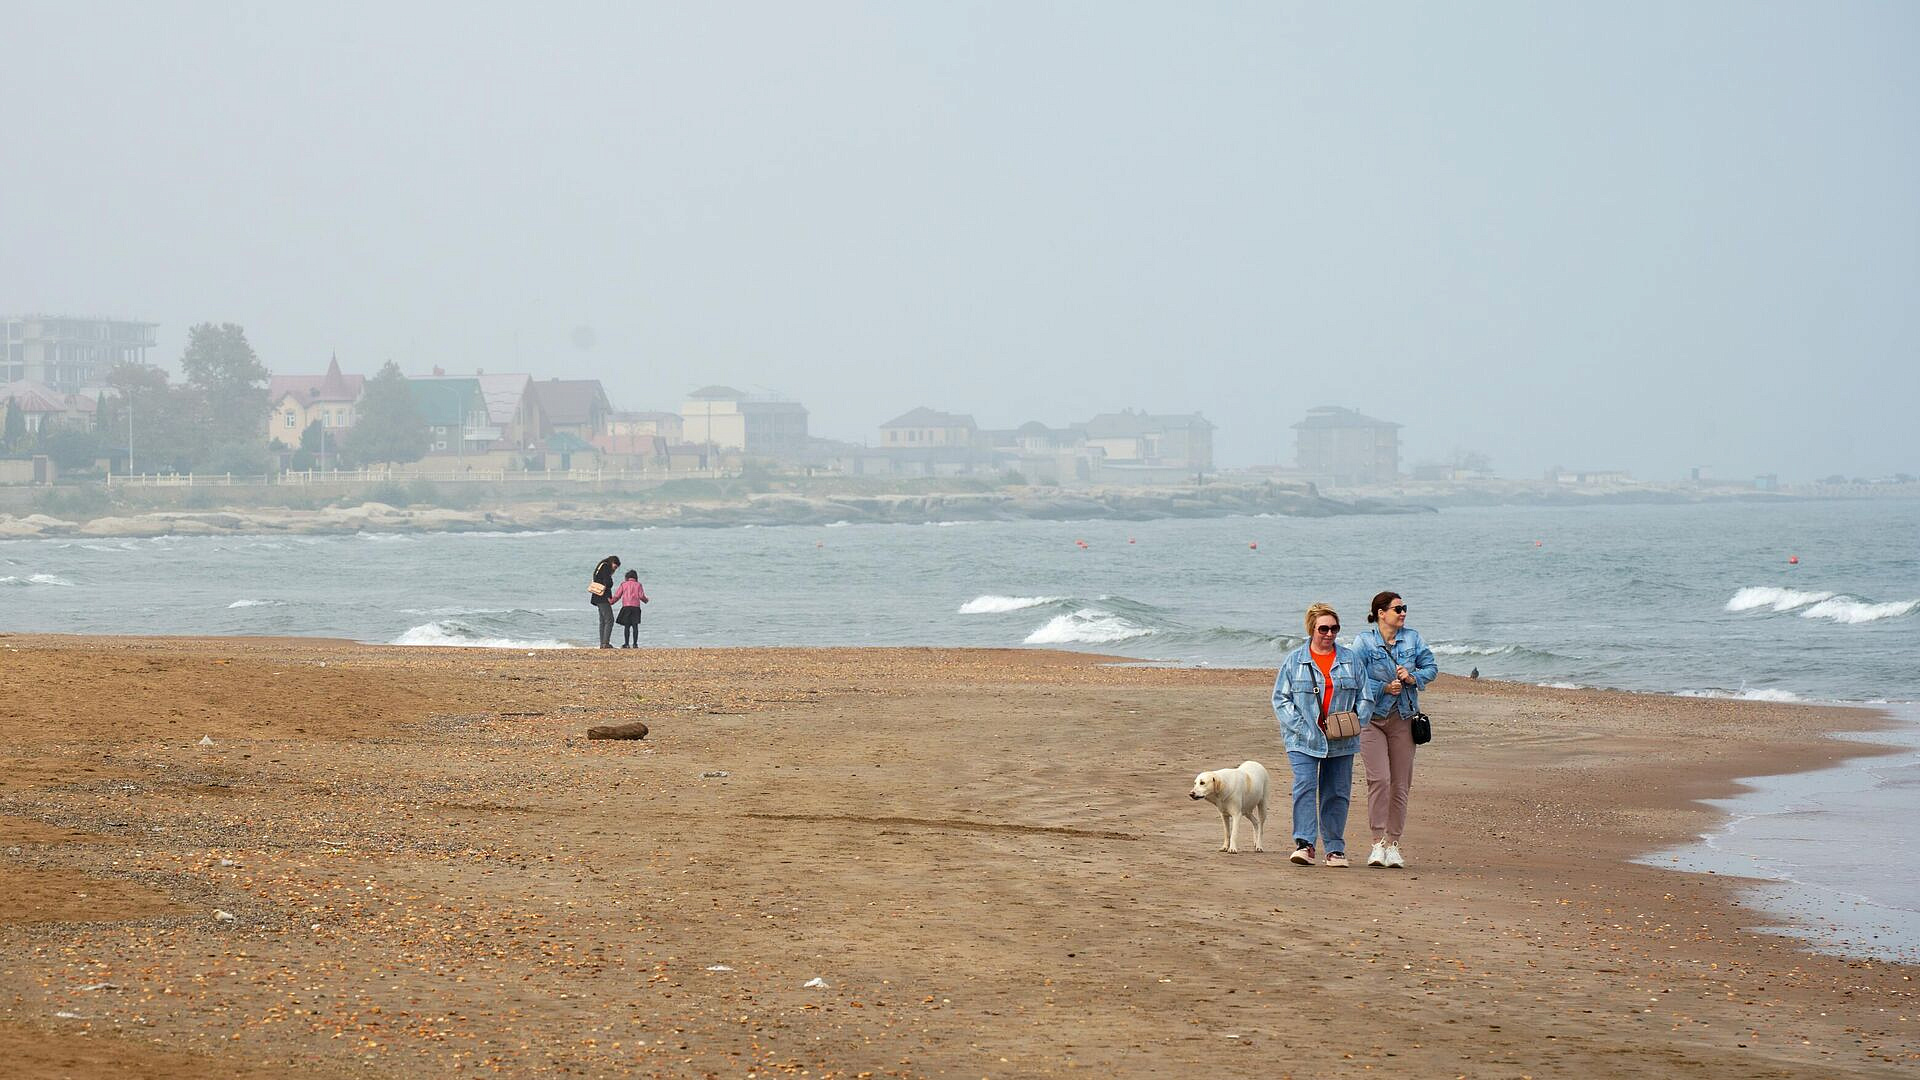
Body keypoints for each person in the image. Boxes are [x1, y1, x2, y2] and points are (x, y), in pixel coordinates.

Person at [1272, 603, 1374, 867]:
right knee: (1305, 786)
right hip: (1302, 739)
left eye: (1334, 628)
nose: (1330, 634)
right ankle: (1304, 845)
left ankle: (1335, 849)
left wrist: (1353, 723)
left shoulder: (1351, 660)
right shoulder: (1294, 661)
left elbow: (1366, 697)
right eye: (1324, 629)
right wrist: (1303, 727)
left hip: (1342, 739)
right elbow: (1281, 699)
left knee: (1337, 792)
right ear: (1312, 629)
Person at [1354, 591, 1439, 869]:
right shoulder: (1364, 642)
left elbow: (1431, 667)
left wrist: (1412, 677)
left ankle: (1393, 845)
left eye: (1404, 608)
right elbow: (1354, 676)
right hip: (1371, 719)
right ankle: (1377, 843)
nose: (1403, 613)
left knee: (1401, 784)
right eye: (1397, 609)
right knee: (1379, 780)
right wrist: (1383, 687)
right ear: (1381, 613)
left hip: (1404, 718)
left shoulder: (1413, 638)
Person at [590, 555, 621, 649]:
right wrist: (608, 594)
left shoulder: (601, 566)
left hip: (597, 595)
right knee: (609, 619)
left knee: (603, 620)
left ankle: (602, 643)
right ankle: (605, 643)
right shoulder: (606, 566)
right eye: (615, 567)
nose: (615, 569)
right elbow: (607, 582)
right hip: (602, 597)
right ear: (612, 562)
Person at [612, 569, 648, 648]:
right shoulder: (638, 585)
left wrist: (612, 602)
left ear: (627, 577)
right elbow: (641, 596)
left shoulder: (623, 584)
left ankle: (626, 644)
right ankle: (635, 644)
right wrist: (646, 600)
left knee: (627, 626)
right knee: (635, 626)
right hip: (636, 607)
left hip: (626, 607)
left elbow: (617, 595)